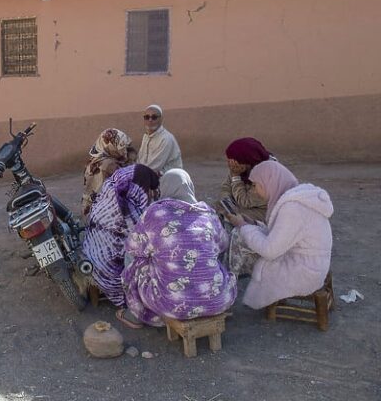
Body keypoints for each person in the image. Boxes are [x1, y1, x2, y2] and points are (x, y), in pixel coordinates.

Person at [118, 169, 237, 328]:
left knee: (135, 262)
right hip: (219, 301)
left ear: (164, 188)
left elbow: (132, 247)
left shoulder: (154, 213)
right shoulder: (208, 214)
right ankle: (207, 298)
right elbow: (223, 245)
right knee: (213, 259)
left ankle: (136, 312)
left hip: (171, 305)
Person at [225, 161, 333, 310]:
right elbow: (283, 235)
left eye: (256, 185)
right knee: (246, 235)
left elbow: (270, 251)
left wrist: (242, 226)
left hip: (304, 273)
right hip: (312, 264)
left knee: (239, 237)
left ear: (269, 182)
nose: (255, 191)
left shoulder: (292, 208)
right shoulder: (297, 198)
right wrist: (254, 225)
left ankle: (226, 289)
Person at [82, 164, 160, 307]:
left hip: (91, 255)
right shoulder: (127, 209)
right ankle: (135, 301)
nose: (147, 193)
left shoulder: (109, 190)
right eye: (146, 189)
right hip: (110, 272)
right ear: (140, 187)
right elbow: (145, 241)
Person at [217, 137, 275, 276]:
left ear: (247, 160)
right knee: (217, 212)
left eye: (232, 160)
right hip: (241, 206)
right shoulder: (238, 165)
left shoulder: (268, 173)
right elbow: (225, 188)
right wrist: (227, 202)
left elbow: (245, 201)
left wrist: (236, 177)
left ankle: (234, 269)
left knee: (234, 220)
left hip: (263, 212)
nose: (230, 164)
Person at [81, 128, 137, 218]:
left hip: (88, 207)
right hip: (104, 213)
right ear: (111, 146)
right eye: (121, 147)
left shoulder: (94, 160)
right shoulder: (110, 165)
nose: (124, 151)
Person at [137, 104, 182, 175]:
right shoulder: (146, 136)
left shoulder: (166, 139)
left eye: (154, 117)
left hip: (169, 178)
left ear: (161, 119)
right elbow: (140, 160)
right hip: (151, 174)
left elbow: (154, 166)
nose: (150, 120)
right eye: (147, 117)